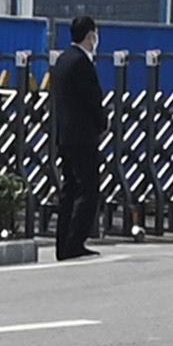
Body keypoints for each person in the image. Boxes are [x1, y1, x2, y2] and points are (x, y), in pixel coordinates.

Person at [43, 14, 110, 260]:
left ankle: (63, 244)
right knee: (88, 190)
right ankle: (76, 242)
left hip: (65, 136)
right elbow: (92, 100)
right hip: (83, 137)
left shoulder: (62, 60)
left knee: (69, 190)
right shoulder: (82, 63)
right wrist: (103, 123)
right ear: (91, 36)